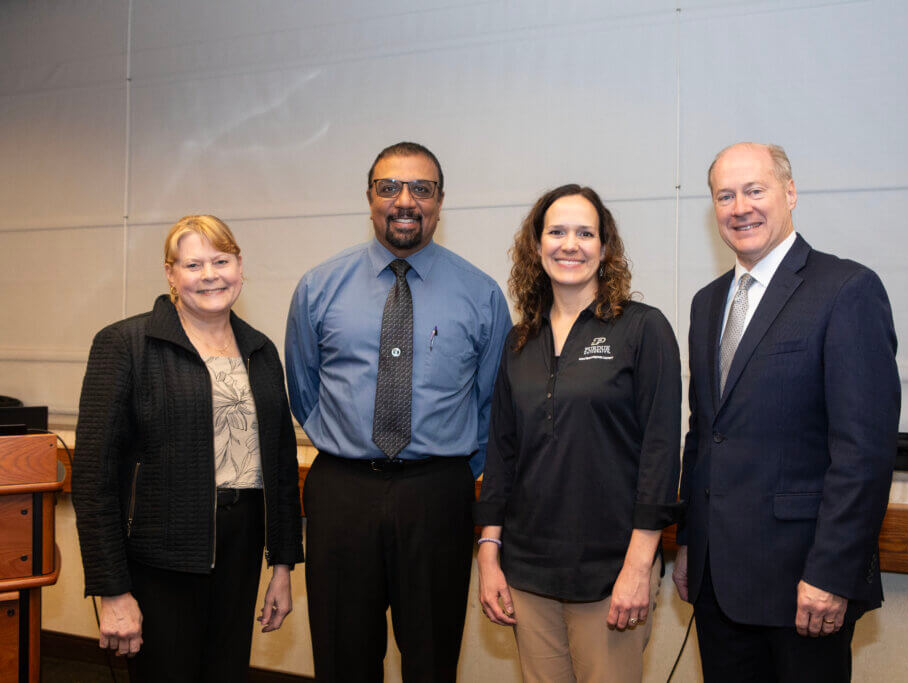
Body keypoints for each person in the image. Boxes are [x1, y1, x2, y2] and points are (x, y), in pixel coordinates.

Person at [673, 142, 900, 682]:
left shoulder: (846, 289)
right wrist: (688, 542)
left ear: (790, 192)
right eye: (725, 196)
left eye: (755, 190)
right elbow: (704, 434)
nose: (739, 207)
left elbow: (863, 454)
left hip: (803, 585)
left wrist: (832, 574)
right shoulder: (707, 303)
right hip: (716, 584)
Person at [285, 141, 512, 682]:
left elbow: (491, 404)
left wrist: (454, 466)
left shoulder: (481, 295)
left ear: (439, 202)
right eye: (390, 187)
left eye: (421, 189)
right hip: (342, 492)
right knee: (343, 656)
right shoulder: (319, 287)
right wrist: (343, 444)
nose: (405, 200)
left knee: (432, 657)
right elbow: (302, 387)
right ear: (369, 199)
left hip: (438, 495)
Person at [73, 215, 304, 682]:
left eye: (221, 260)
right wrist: (112, 591)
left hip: (240, 550)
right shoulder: (126, 344)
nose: (210, 275)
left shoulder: (259, 351)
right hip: (160, 557)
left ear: (240, 266)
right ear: (170, 274)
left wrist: (282, 565)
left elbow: (279, 468)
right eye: (193, 264)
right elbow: (93, 477)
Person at [475, 184, 682, 683]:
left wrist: (638, 567)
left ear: (605, 247)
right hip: (527, 572)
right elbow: (501, 455)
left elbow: (660, 454)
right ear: (536, 245)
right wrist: (488, 554)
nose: (571, 244)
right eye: (557, 232)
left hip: (610, 573)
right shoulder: (519, 342)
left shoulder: (642, 330)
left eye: (585, 233)